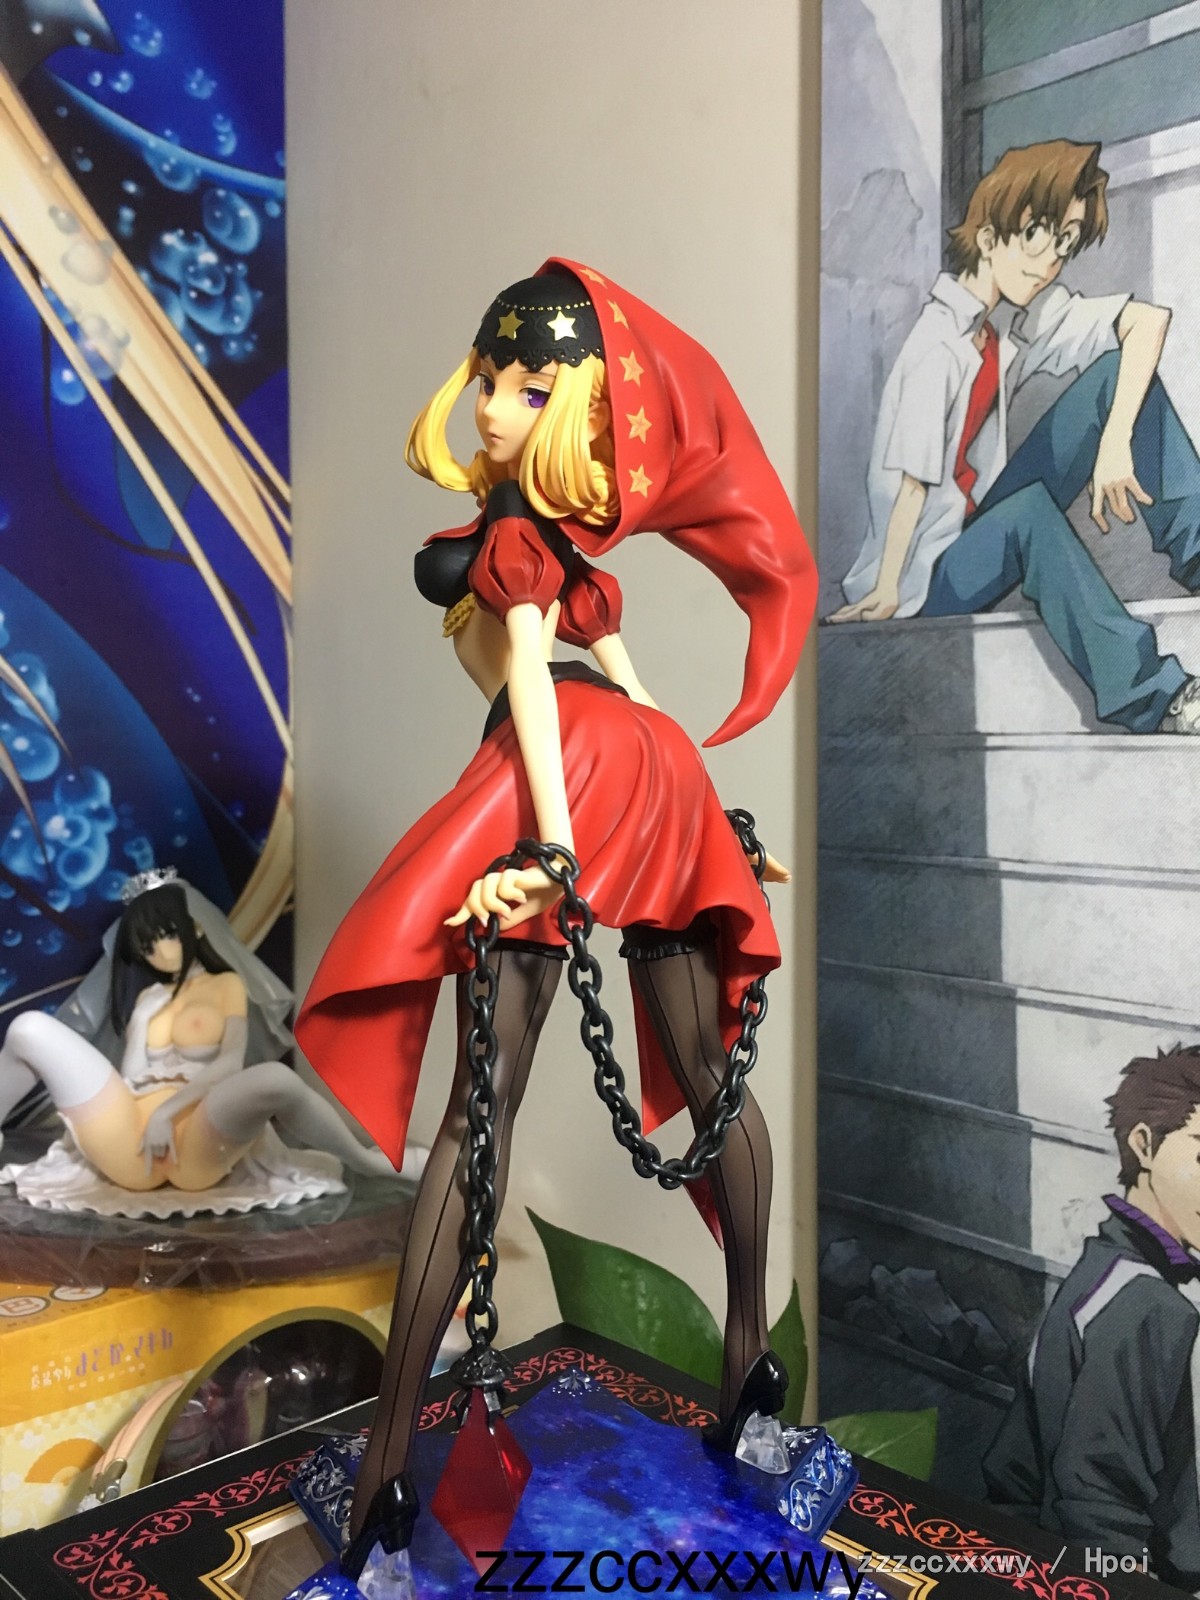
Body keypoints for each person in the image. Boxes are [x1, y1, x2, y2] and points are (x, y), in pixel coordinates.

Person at [295, 261, 817, 1566]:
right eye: (489, 377)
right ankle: (750, 1370)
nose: (493, 404)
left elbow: (537, 680)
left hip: (567, 767)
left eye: (529, 388)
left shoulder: (526, 546)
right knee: (707, 1077)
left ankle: (380, 1478)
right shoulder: (548, 544)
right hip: (640, 761)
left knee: (476, 1118)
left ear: (579, 406)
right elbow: (638, 698)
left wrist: (555, 844)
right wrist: (699, 819)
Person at [827, 139, 1200, 735]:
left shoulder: (1012, 320)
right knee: (1027, 514)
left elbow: (1147, 324)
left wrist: (1114, 442)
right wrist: (887, 587)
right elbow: (911, 484)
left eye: (1066, 244)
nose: (1051, 261)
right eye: (1037, 236)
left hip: (974, 530)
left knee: (1117, 380)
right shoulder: (937, 344)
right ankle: (1153, 694)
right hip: (924, 574)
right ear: (989, 234)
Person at [0, 870, 417, 1216]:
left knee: (276, 1078)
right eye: (146, 946)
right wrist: (141, 1021)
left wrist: (167, 1113)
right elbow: (132, 1077)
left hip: (199, 1136)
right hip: (129, 1143)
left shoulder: (226, 985)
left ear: (194, 929)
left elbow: (229, 1065)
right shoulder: (148, 998)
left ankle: (367, 1161)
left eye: (167, 935)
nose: (158, 953)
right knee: (28, 1028)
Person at [983, 1045, 1200, 1591]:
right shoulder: (1149, 1305)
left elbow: (1017, 1469)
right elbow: (1100, 1510)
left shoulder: (1100, 1271)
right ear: (1144, 1145)